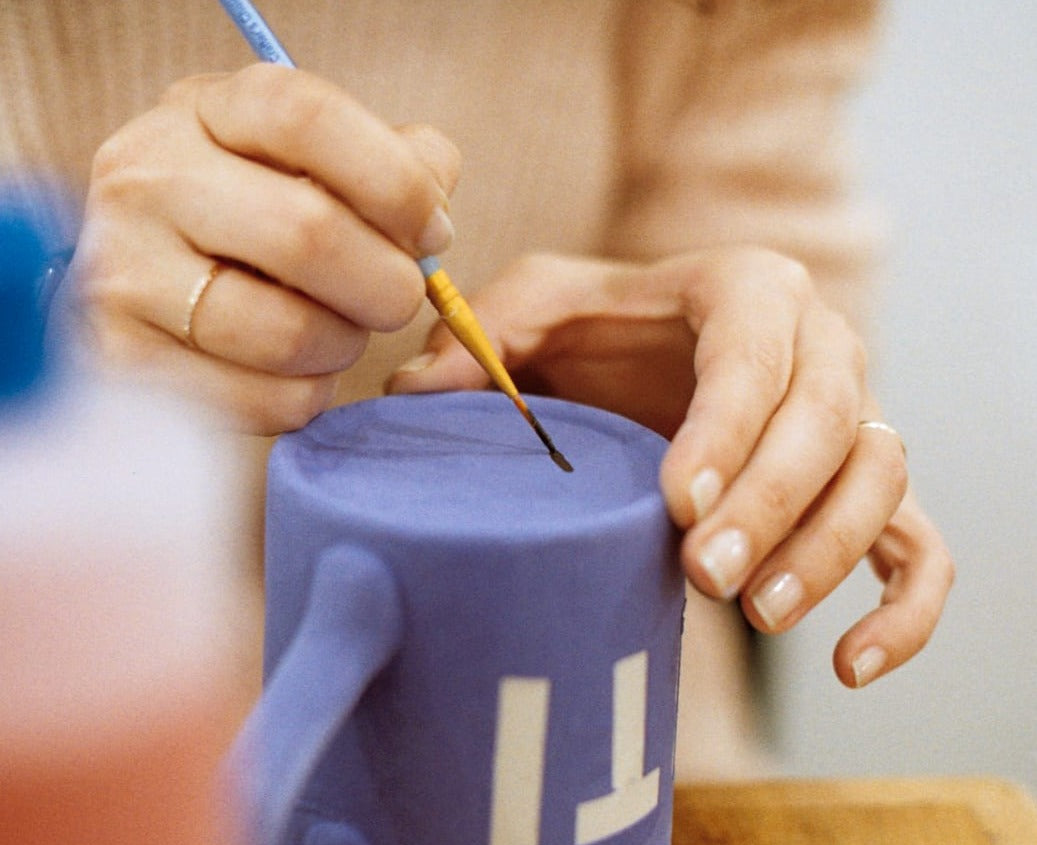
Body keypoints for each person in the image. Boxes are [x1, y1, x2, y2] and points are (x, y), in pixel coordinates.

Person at [0, 0, 953, 778]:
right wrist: (40, 358)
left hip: (621, 779)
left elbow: (773, 244)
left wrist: (756, 392)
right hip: (100, 795)